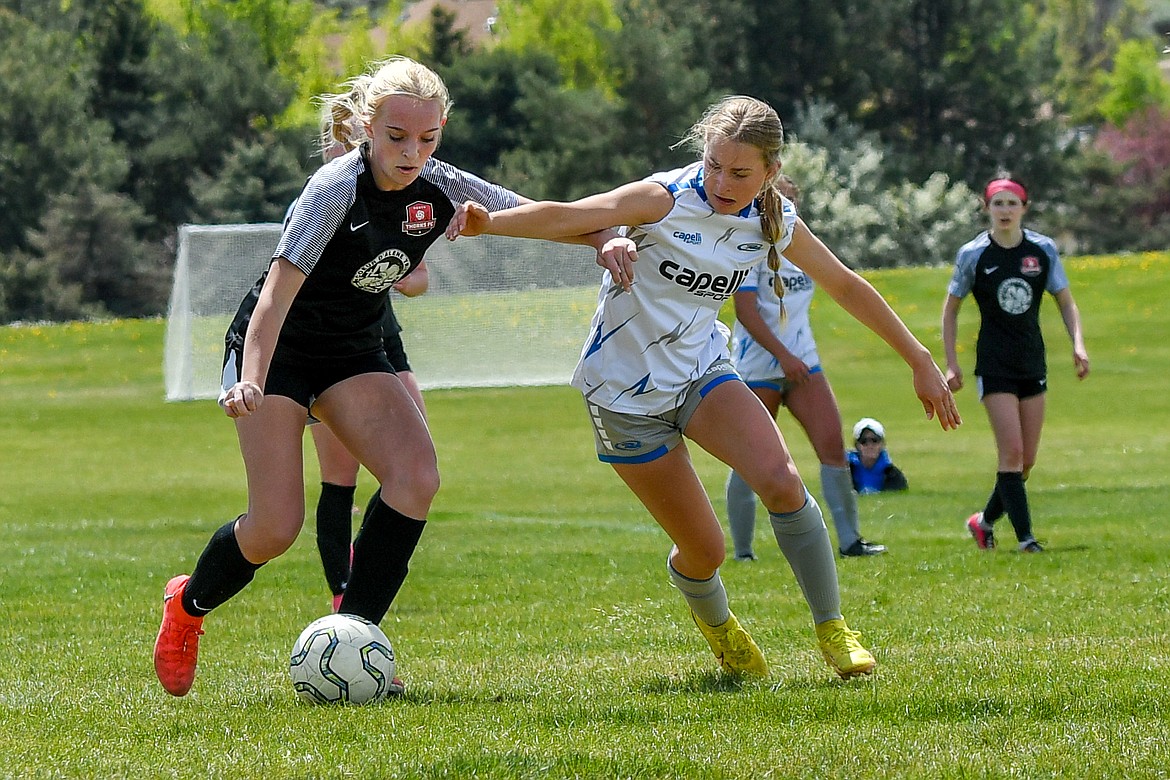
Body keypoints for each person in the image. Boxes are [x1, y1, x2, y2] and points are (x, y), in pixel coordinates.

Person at [447, 95, 960, 680]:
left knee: (783, 480)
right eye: (714, 165)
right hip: (624, 395)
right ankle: (721, 629)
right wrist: (491, 223)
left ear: (770, 172)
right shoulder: (663, 199)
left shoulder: (774, 220)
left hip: (700, 370)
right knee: (706, 552)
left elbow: (845, 286)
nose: (721, 181)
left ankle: (833, 629)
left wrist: (918, 358)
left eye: (740, 173)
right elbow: (569, 215)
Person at [152, 56, 618, 698]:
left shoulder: (441, 184)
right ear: (367, 127)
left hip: (352, 351)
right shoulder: (335, 189)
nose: (412, 152)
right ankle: (187, 607)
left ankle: (353, 640)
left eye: (428, 138)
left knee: (416, 477)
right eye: (397, 137)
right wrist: (250, 379)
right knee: (274, 526)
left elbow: (534, 214)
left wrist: (604, 239)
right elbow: (273, 299)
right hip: (280, 352)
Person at [295, 136, 432, 614]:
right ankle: (342, 596)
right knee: (339, 476)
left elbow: (419, 278)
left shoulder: (401, 197)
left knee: (416, 466)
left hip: (381, 339)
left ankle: (366, 565)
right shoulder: (324, 199)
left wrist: (394, 268)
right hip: (325, 346)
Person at [725, 174, 887, 560]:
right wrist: (783, 355)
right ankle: (744, 551)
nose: (783, 208)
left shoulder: (799, 246)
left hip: (804, 362)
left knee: (832, 447)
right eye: (776, 200)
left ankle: (850, 541)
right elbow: (745, 311)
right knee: (750, 460)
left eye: (790, 201)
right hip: (758, 365)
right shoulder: (747, 246)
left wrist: (796, 355)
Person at [942, 177, 1089, 554]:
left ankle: (984, 521)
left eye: (1012, 203)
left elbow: (1066, 302)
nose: (1005, 211)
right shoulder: (973, 254)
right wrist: (952, 364)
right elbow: (951, 309)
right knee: (1011, 454)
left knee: (1026, 463)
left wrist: (1078, 345)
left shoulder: (1042, 250)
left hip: (1031, 361)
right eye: (998, 204)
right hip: (994, 364)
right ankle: (1026, 540)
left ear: (1025, 207)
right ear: (986, 208)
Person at [847, 417, 908, 495]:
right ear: (856, 445)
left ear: (882, 444)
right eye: (864, 441)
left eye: (874, 440)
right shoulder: (845, 472)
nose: (870, 445)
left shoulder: (893, 474)